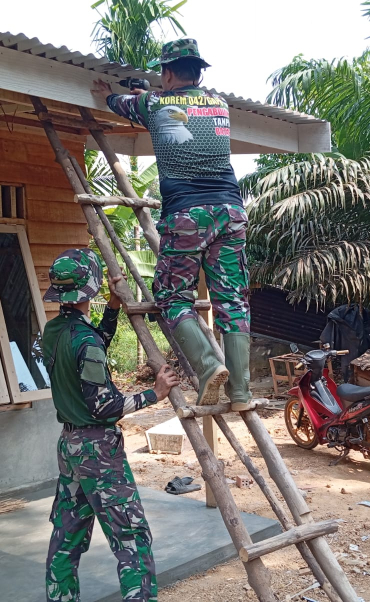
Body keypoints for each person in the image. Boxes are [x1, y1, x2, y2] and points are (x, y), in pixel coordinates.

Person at [91, 38, 252, 411]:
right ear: (199, 71)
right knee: (232, 300)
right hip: (230, 212)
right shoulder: (219, 104)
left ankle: (209, 366)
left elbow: (118, 103)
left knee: (171, 296)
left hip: (186, 215)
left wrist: (106, 93)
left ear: (166, 73)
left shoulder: (153, 103)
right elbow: (181, 104)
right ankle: (241, 392)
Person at [42, 249, 179, 602]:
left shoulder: (54, 330)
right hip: (98, 452)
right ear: (88, 287)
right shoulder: (84, 340)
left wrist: (113, 309)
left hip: (70, 448)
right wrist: (155, 394)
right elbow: (105, 407)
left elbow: (89, 347)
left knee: (66, 538)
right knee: (132, 538)